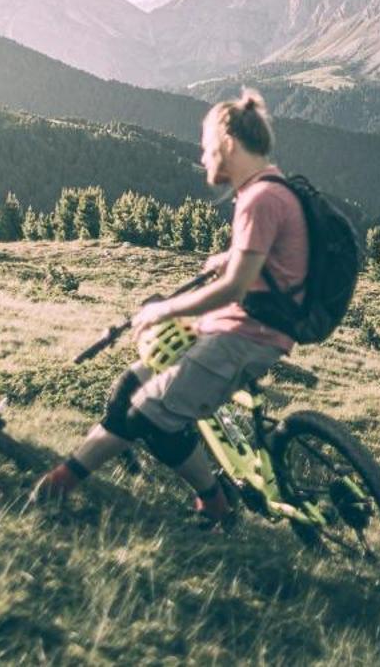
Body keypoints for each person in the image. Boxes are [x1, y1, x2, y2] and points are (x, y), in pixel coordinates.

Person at [31, 89, 307, 527]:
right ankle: (63, 481)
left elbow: (234, 288)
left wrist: (165, 310)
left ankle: (216, 506)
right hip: (233, 328)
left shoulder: (260, 199)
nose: (203, 159)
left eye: (206, 147)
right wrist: (229, 258)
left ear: (229, 143)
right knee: (129, 390)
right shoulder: (268, 189)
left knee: (153, 417)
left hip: (247, 336)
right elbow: (262, 263)